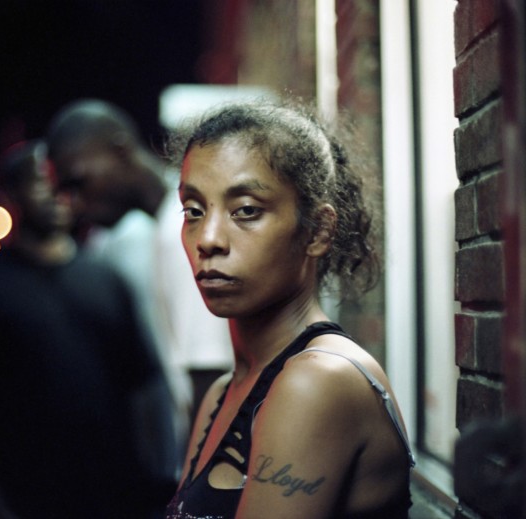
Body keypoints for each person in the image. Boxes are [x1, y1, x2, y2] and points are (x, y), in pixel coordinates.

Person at [163, 99, 415, 519]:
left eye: (246, 211)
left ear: (317, 231)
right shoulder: (223, 392)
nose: (208, 239)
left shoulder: (317, 381)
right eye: (194, 211)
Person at [0, 140, 173, 518]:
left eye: (62, 182)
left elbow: (143, 385)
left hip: (114, 499)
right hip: (23, 500)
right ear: (12, 193)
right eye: (40, 181)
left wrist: (155, 482)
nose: (56, 193)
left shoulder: (106, 279)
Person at [47, 99, 233, 458]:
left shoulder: (183, 227)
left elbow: (210, 375)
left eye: (79, 182)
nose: (76, 204)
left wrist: (195, 478)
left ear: (119, 151)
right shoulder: (165, 224)